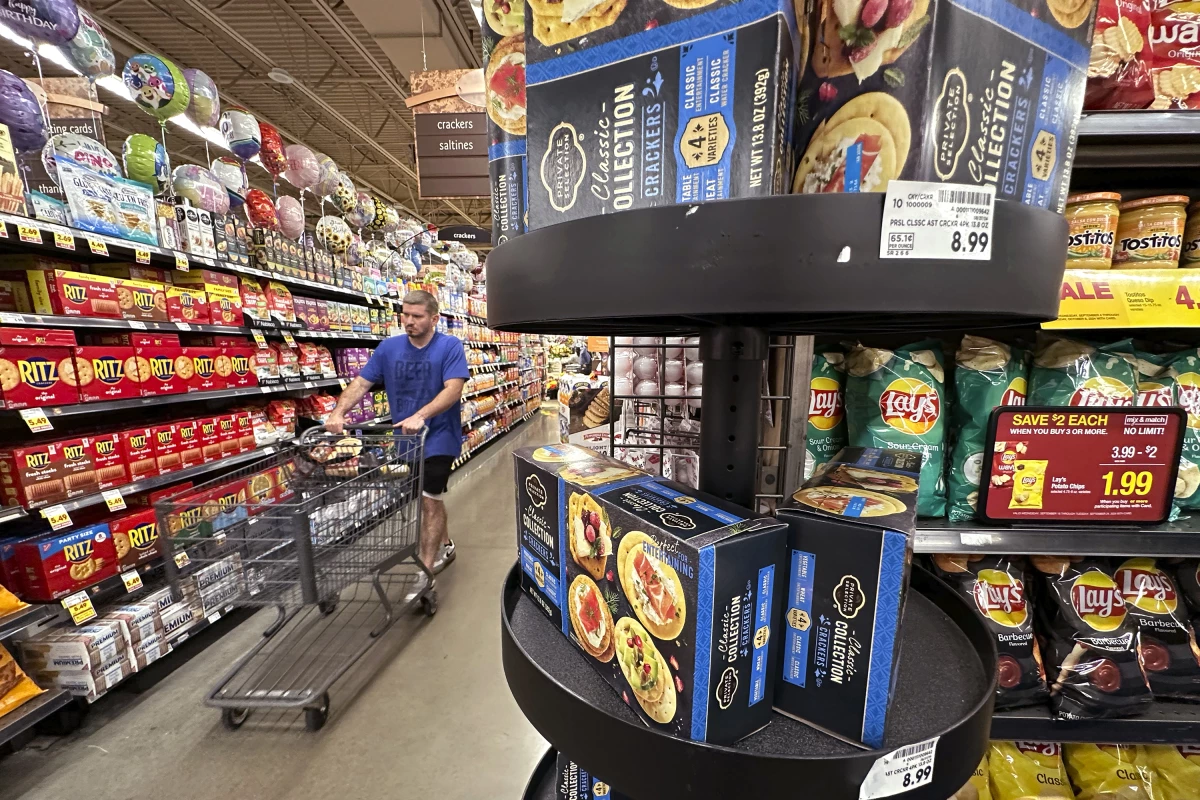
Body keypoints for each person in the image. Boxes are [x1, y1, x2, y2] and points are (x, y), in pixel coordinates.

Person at [325, 289, 468, 600]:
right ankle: (445, 546)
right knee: (428, 496)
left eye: (417, 316)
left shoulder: (449, 346)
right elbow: (362, 383)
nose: (409, 321)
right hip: (406, 439)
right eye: (405, 314)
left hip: (439, 436)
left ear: (434, 318)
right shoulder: (389, 348)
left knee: (429, 499)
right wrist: (338, 411)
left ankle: (425, 571)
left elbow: (453, 389)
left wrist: (422, 414)